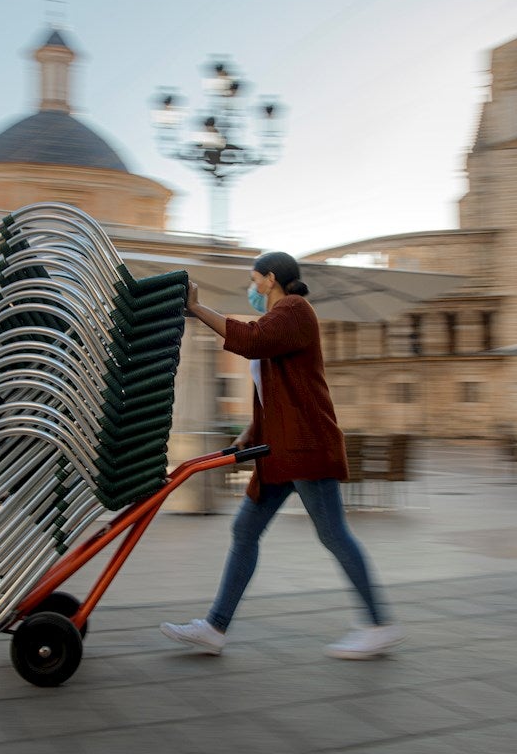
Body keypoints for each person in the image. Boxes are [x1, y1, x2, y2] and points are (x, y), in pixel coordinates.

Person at [160, 252, 404, 660]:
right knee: (245, 530)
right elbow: (276, 393)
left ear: (271, 278)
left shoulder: (295, 310)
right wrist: (250, 432)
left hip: (306, 447)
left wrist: (198, 308)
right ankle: (215, 627)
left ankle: (380, 625)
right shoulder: (280, 319)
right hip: (280, 451)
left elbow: (252, 341)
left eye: (254, 279)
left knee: (333, 534)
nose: (252, 287)